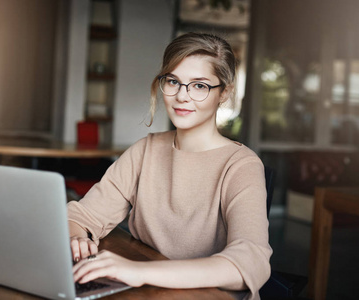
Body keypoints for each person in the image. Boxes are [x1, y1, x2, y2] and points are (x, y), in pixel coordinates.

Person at [67, 32, 272, 300]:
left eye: (199, 86)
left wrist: (139, 272)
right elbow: (80, 215)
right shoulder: (145, 150)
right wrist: (77, 238)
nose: (182, 97)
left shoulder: (241, 165)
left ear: (224, 93)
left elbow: (250, 262)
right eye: (173, 81)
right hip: (154, 293)